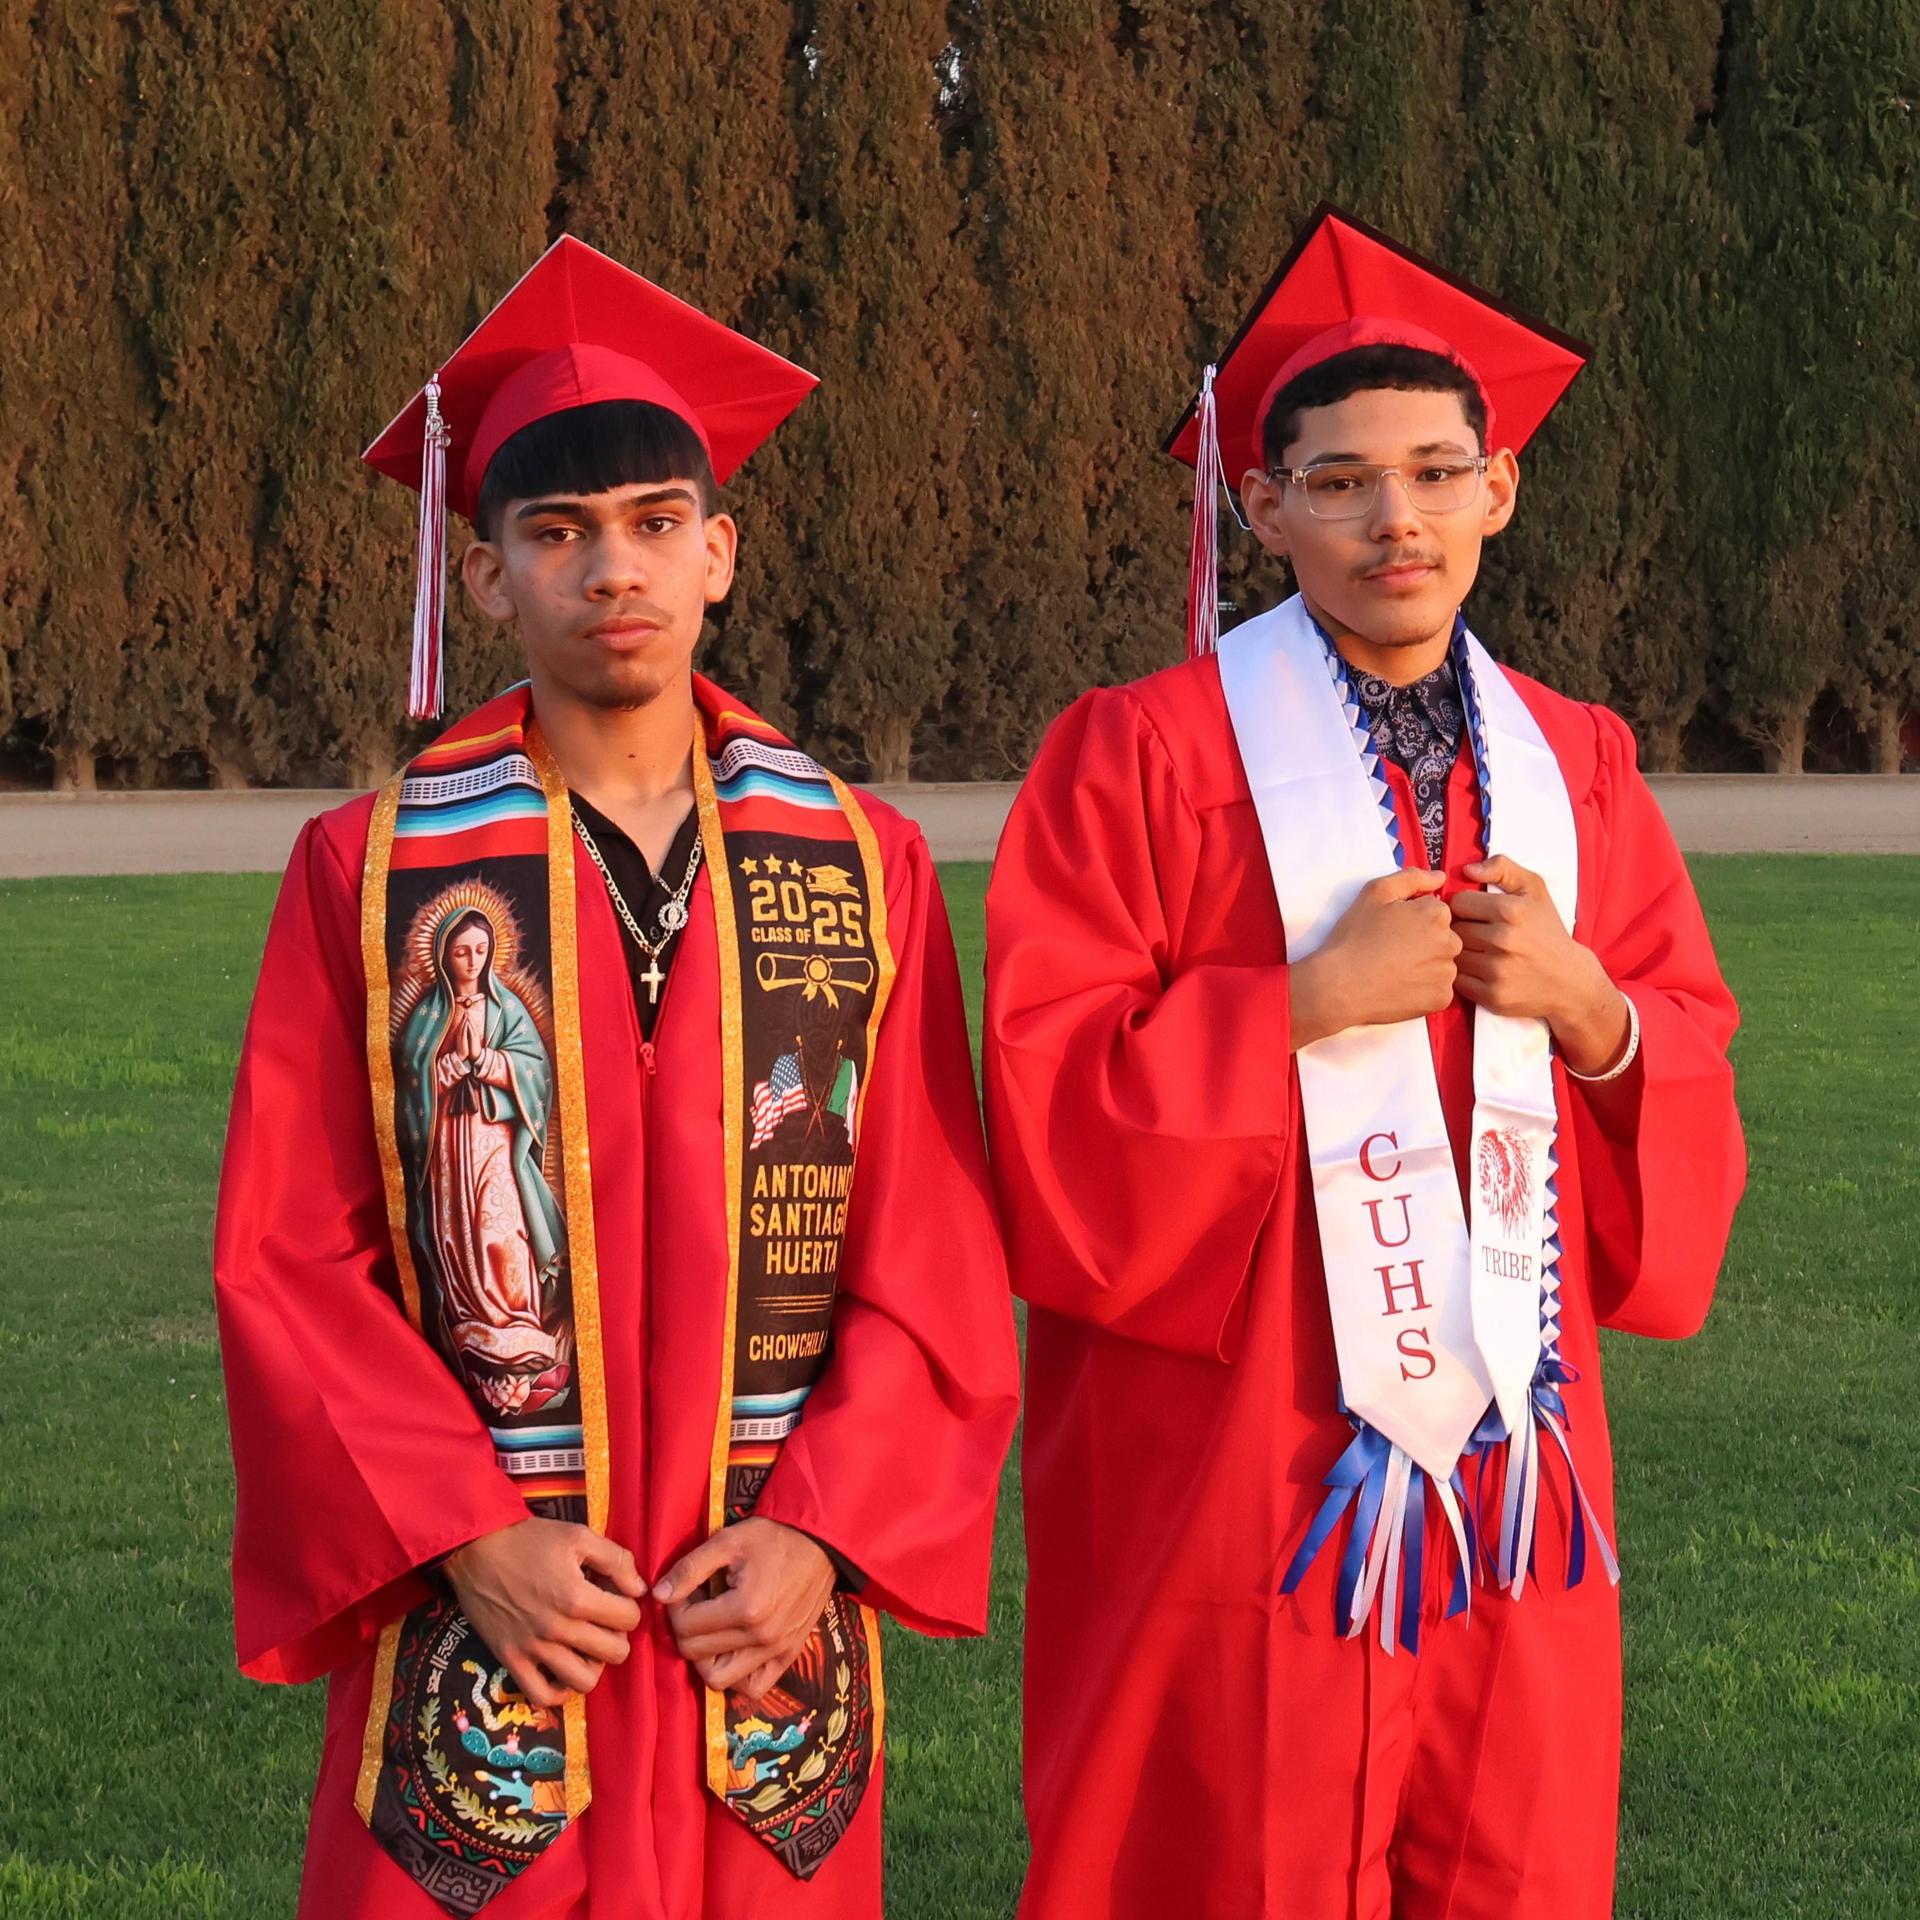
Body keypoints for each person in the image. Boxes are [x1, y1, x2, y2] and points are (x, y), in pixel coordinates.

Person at [214, 234, 1019, 1920]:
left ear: (721, 552)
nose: (614, 570)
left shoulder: (856, 866)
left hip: (759, 1602)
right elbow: (293, 1256)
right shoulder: (370, 875)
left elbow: (930, 1244)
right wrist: (462, 1533)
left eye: (658, 525)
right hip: (505, 1600)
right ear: (489, 575)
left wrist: (823, 1530)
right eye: (559, 535)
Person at [983, 206, 1747, 1919]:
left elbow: (1678, 1051)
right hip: (1241, 1444)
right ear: (1263, 510)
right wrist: (1302, 1004)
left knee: (1509, 1835)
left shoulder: (1584, 765)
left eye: (1432, 472)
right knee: (1224, 1834)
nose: (1391, 517)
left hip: (1511, 1444)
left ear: (1499, 491)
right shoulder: (1136, 756)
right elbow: (1047, 1101)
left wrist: (1588, 1006)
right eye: (1337, 481)